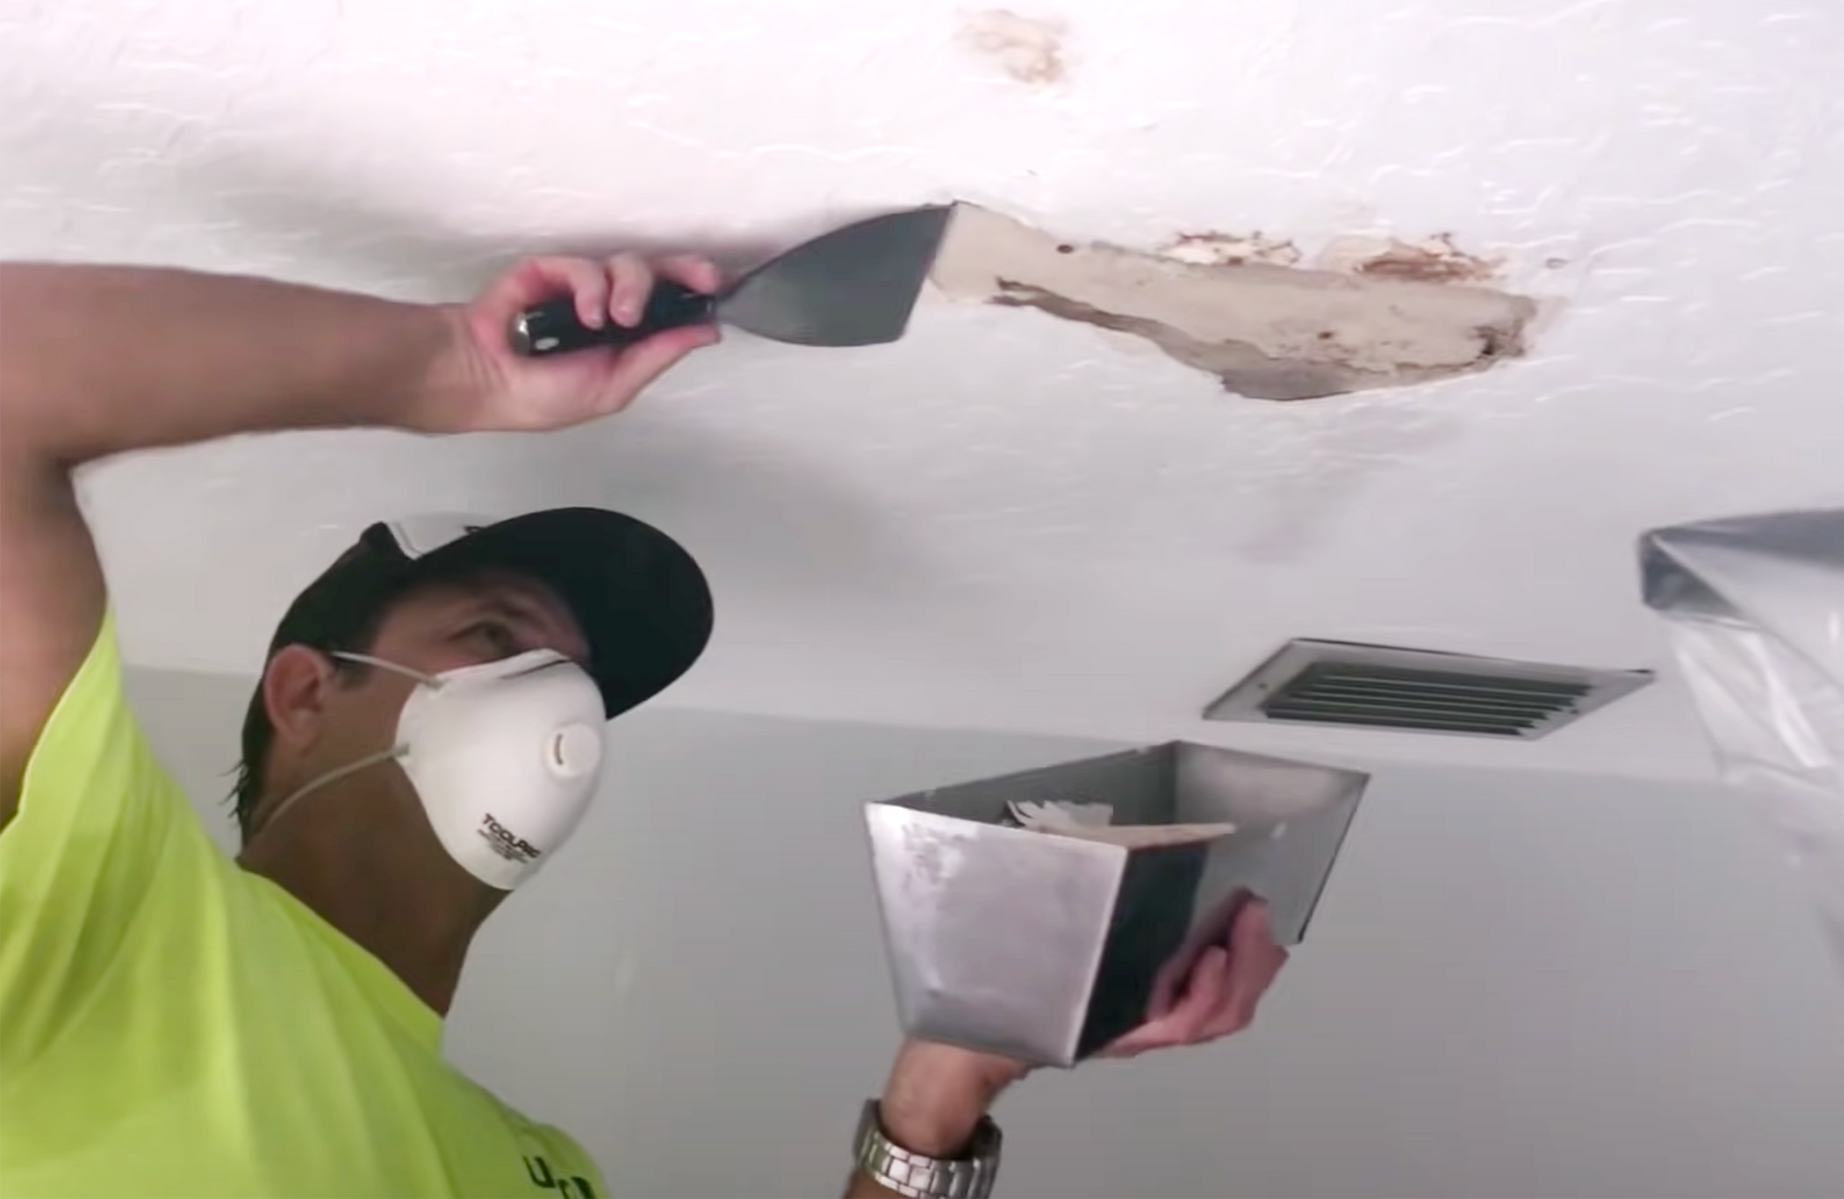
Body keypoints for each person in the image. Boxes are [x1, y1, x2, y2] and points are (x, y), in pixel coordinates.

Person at [0, 252, 1287, 1198]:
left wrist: (948, 1084)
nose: (557, 704)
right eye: (497, 641)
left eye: (577, 679)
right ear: (306, 690)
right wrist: (455, 364)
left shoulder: (540, 1169)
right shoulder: (110, 910)